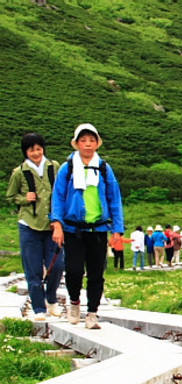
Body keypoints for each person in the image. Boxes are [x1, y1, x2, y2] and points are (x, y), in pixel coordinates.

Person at [50, 124, 123, 329]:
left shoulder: (104, 168)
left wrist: (117, 229)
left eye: (91, 140)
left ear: (97, 143)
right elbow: (58, 196)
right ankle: (74, 303)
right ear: (77, 143)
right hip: (73, 229)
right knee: (73, 271)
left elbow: (114, 198)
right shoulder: (68, 167)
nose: (88, 144)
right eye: (83, 140)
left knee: (96, 273)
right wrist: (56, 223)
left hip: (98, 229)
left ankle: (92, 313)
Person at [6, 133, 64, 320]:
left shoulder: (53, 167)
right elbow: (10, 196)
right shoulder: (19, 172)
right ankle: (39, 308)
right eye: (31, 149)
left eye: (39, 148)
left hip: (52, 225)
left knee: (57, 265)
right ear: (26, 151)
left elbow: (62, 191)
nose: (36, 153)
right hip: (29, 225)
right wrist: (24, 199)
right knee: (33, 270)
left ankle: (52, 299)